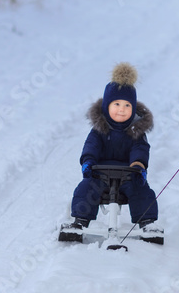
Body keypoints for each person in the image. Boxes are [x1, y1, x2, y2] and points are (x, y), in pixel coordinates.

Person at [66, 62, 162, 237]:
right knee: (86, 188)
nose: (121, 110)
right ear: (106, 106)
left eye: (127, 106)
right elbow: (91, 147)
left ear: (133, 109)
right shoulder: (99, 130)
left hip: (128, 175)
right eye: (116, 104)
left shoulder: (136, 131)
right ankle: (79, 222)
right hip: (100, 174)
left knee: (142, 190)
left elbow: (140, 148)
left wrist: (138, 165)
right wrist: (88, 162)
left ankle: (147, 223)